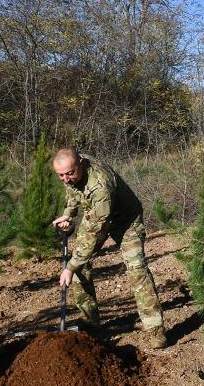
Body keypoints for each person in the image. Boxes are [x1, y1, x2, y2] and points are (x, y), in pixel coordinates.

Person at [51, 148, 167, 348]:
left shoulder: (100, 185)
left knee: (136, 270)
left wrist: (69, 267)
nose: (66, 178)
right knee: (80, 266)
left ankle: (156, 330)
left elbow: (96, 231)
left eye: (69, 173)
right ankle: (91, 322)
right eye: (61, 175)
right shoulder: (73, 171)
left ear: (81, 163)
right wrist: (69, 213)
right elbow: (73, 189)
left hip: (125, 220)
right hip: (96, 215)